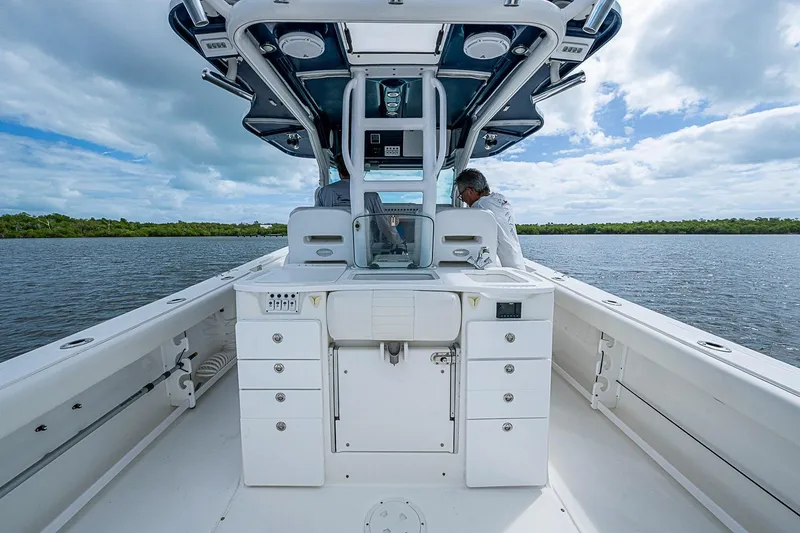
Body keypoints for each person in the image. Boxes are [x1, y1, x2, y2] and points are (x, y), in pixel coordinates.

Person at [316, 154, 402, 246]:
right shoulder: (371, 195)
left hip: (332, 245)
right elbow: (385, 226)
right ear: (359, 171)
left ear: (339, 173)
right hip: (362, 246)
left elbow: (316, 221)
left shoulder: (324, 192)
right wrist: (399, 243)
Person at [454, 168, 525, 270]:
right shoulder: (500, 199)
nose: (463, 199)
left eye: (461, 194)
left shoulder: (479, 206)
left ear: (469, 191)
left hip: (502, 269)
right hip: (518, 266)